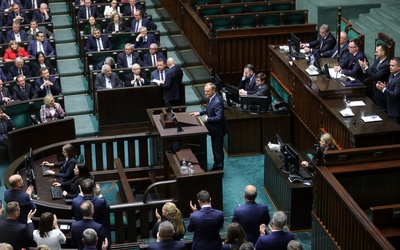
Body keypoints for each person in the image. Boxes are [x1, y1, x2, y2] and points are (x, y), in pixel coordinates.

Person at [190, 82, 227, 170]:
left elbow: (219, 118)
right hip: (213, 129)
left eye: (207, 91)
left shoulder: (218, 101)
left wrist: (207, 119)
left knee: (218, 150)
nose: (205, 93)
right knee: (214, 149)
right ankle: (216, 165)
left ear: (213, 91)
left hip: (218, 130)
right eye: (205, 91)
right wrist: (198, 113)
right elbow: (208, 109)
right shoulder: (210, 98)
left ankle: (219, 168)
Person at [359, 43, 391, 110]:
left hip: (381, 95)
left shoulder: (387, 64)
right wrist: (364, 68)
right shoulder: (378, 60)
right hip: (375, 92)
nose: (375, 54)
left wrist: (366, 68)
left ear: (383, 53)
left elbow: (375, 77)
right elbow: (371, 71)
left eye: (376, 52)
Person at [376, 57, 400, 124]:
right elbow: (391, 88)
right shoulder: (392, 75)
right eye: (390, 65)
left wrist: (383, 89)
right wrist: (384, 86)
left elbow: (396, 95)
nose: (390, 67)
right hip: (390, 108)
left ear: (399, 67)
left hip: (396, 111)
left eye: (392, 66)